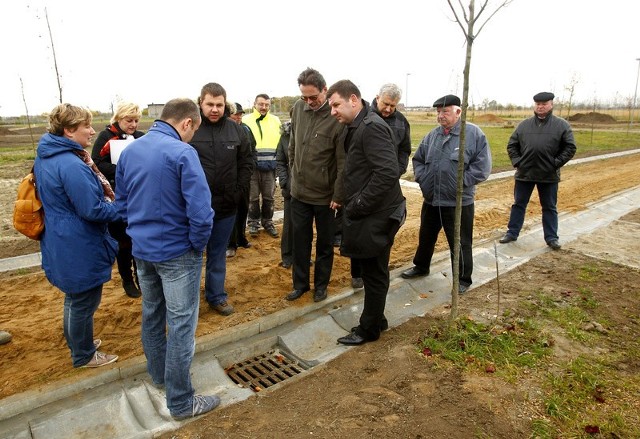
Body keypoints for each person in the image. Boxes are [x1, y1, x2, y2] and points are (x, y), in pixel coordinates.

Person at [115, 98, 220, 420]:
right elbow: (201, 214)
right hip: (176, 252)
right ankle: (181, 402)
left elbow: (121, 204)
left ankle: (160, 376)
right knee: (181, 325)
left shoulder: (130, 150)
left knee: (152, 313)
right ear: (187, 123)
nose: (191, 137)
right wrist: (195, 246)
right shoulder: (182, 153)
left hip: (142, 250)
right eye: (193, 130)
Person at [34, 103, 120, 368]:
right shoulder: (71, 165)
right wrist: (122, 210)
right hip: (78, 242)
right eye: (86, 126)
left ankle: (79, 343)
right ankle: (83, 355)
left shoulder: (47, 156)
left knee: (74, 298)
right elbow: (92, 209)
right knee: (84, 300)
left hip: (62, 238)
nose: (92, 131)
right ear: (70, 130)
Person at [327, 80, 406, 345]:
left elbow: (387, 173)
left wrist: (358, 204)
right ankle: (377, 318)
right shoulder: (357, 125)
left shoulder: (371, 127)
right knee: (375, 270)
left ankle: (368, 329)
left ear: (353, 99)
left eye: (336, 105)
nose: (333, 112)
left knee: (373, 272)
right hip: (372, 210)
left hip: (377, 213)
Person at [401, 94, 492, 294]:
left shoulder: (473, 135)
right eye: (438, 112)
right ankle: (421, 266)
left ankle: (462, 279)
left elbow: (482, 168)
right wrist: (424, 181)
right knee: (426, 236)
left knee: (460, 242)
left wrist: (460, 186)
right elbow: (418, 160)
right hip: (432, 200)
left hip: (458, 202)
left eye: (445, 111)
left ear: (458, 112)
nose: (441, 116)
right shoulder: (433, 136)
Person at [191, 84, 253, 316]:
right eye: (210, 104)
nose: (214, 109)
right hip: (196, 208)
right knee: (193, 254)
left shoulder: (236, 130)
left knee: (217, 253)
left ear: (225, 104)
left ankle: (216, 295)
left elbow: (247, 161)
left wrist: (239, 190)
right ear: (201, 103)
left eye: (219, 105)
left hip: (227, 206)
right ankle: (189, 302)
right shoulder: (191, 129)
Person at [286, 67, 345, 303]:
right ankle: (300, 285)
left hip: (325, 197)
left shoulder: (336, 118)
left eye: (314, 97)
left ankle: (321, 285)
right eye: (305, 97)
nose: (309, 102)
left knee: (324, 244)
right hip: (299, 193)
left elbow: (342, 162)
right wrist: (293, 176)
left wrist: (338, 194)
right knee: (300, 242)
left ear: (325, 90)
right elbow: (292, 146)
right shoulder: (298, 109)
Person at [346, 83, 413, 290]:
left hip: (386, 184)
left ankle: (375, 274)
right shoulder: (364, 120)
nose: (388, 109)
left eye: (393, 106)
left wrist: (398, 170)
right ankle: (357, 273)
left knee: (377, 233)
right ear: (377, 98)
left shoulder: (401, 122)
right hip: (363, 184)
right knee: (359, 230)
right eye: (386, 103)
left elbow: (404, 149)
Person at [499, 92, 577, 250]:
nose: (540, 107)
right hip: (524, 174)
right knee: (519, 204)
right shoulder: (524, 125)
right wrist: (518, 162)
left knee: (549, 207)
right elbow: (512, 145)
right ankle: (512, 233)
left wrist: (555, 163)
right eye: (538, 104)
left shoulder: (561, 125)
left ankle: (551, 238)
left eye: (544, 104)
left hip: (548, 175)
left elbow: (570, 147)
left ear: (551, 104)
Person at [91, 102, 145, 298]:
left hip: (138, 197)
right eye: (128, 120)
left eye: (136, 121)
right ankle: (127, 279)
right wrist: (121, 172)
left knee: (139, 239)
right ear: (118, 119)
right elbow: (96, 163)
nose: (133, 124)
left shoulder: (140, 137)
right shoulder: (106, 137)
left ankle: (142, 277)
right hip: (116, 197)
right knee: (123, 242)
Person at [242, 94, 281, 238]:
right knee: (252, 197)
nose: (264, 107)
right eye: (261, 104)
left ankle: (268, 221)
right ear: (254, 104)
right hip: (252, 168)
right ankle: (253, 223)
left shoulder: (276, 121)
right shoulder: (246, 120)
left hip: (270, 167)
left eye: (267, 105)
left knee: (269, 197)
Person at [227, 102, 257, 257]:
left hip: (244, 177)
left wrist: (251, 167)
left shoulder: (245, 129)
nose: (239, 117)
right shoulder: (225, 131)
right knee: (231, 211)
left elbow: (253, 149)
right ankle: (231, 244)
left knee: (243, 209)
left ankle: (241, 238)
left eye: (240, 114)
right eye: (236, 114)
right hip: (229, 179)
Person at [275, 120, 293, 268]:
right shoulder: (285, 137)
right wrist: (284, 182)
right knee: (289, 225)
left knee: (304, 227)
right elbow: (280, 161)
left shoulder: (310, 131)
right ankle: (287, 256)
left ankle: (302, 255)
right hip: (291, 188)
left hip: (309, 188)